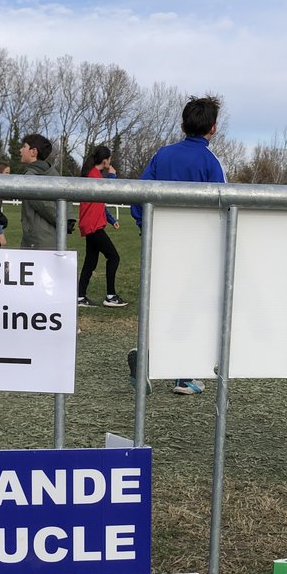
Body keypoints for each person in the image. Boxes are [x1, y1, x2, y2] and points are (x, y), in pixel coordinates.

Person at [129, 95, 226, 395]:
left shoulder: (162, 155)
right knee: (190, 308)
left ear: (182, 125)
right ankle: (183, 375)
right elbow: (224, 207)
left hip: (159, 243)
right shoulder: (212, 162)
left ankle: (145, 359)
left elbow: (138, 199)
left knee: (156, 302)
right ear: (213, 128)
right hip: (196, 249)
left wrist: (148, 228)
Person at [77, 145, 127, 308]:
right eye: (110, 159)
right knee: (113, 257)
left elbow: (99, 204)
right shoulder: (95, 177)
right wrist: (112, 176)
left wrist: (111, 220)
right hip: (94, 226)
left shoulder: (92, 175)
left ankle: (80, 297)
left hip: (91, 224)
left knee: (90, 262)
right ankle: (110, 296)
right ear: (105, 161)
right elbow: (109, 192)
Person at [18, 133, 58, 249]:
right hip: (52, 237)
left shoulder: (29, 176)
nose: (20, 151)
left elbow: (42, 204)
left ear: (33, 152)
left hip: (36, 241)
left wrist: (62, 220)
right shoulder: (54, 173)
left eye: (24, 147)